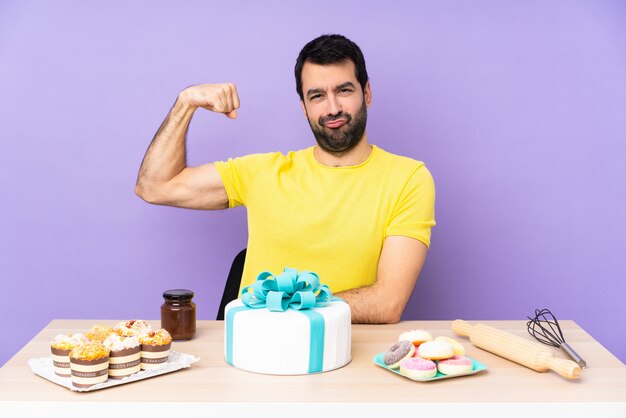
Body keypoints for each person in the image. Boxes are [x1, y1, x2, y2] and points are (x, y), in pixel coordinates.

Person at [135, 34, 435, 324]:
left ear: (366, 92)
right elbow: (153, 187)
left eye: (344, 90)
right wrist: (186, 102)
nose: (332, 108)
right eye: (317, 96)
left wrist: (285, 314)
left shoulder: (408, 179)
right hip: (254, 355)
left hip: (343, 356)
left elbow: (388, 303)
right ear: (303, 106)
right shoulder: (262, 173)